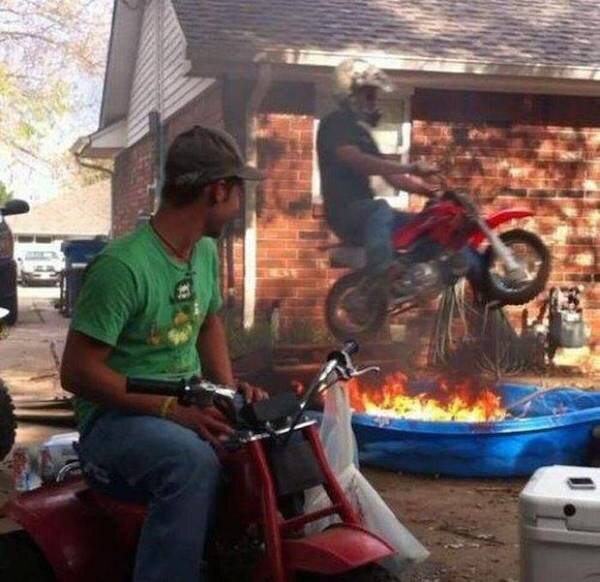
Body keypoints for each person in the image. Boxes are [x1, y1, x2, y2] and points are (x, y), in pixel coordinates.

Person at [60, 126, 267, 582]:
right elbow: (76, 372)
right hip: (114, 423)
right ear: (218, 190)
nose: (240, 206)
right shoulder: (122, 267)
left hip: (184, 403)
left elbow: (207, 321)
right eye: (238, 192)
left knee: (282, 432)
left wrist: (229, 393)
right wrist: (169, 409)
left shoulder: (204, 251)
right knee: (190, 462)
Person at [317, 58, 441, 276]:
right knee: (380, 207)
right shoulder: (335, 123)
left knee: (426, 224)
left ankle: (413, 277)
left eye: (374, 95)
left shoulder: (362, 133)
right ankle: (381, 269)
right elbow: (358, 161)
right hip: (345, 213)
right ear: (349, 94)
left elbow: (392, 177)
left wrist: (430, 192)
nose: (374, 101)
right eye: (368, 94)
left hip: (366, 214)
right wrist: (411, 168)